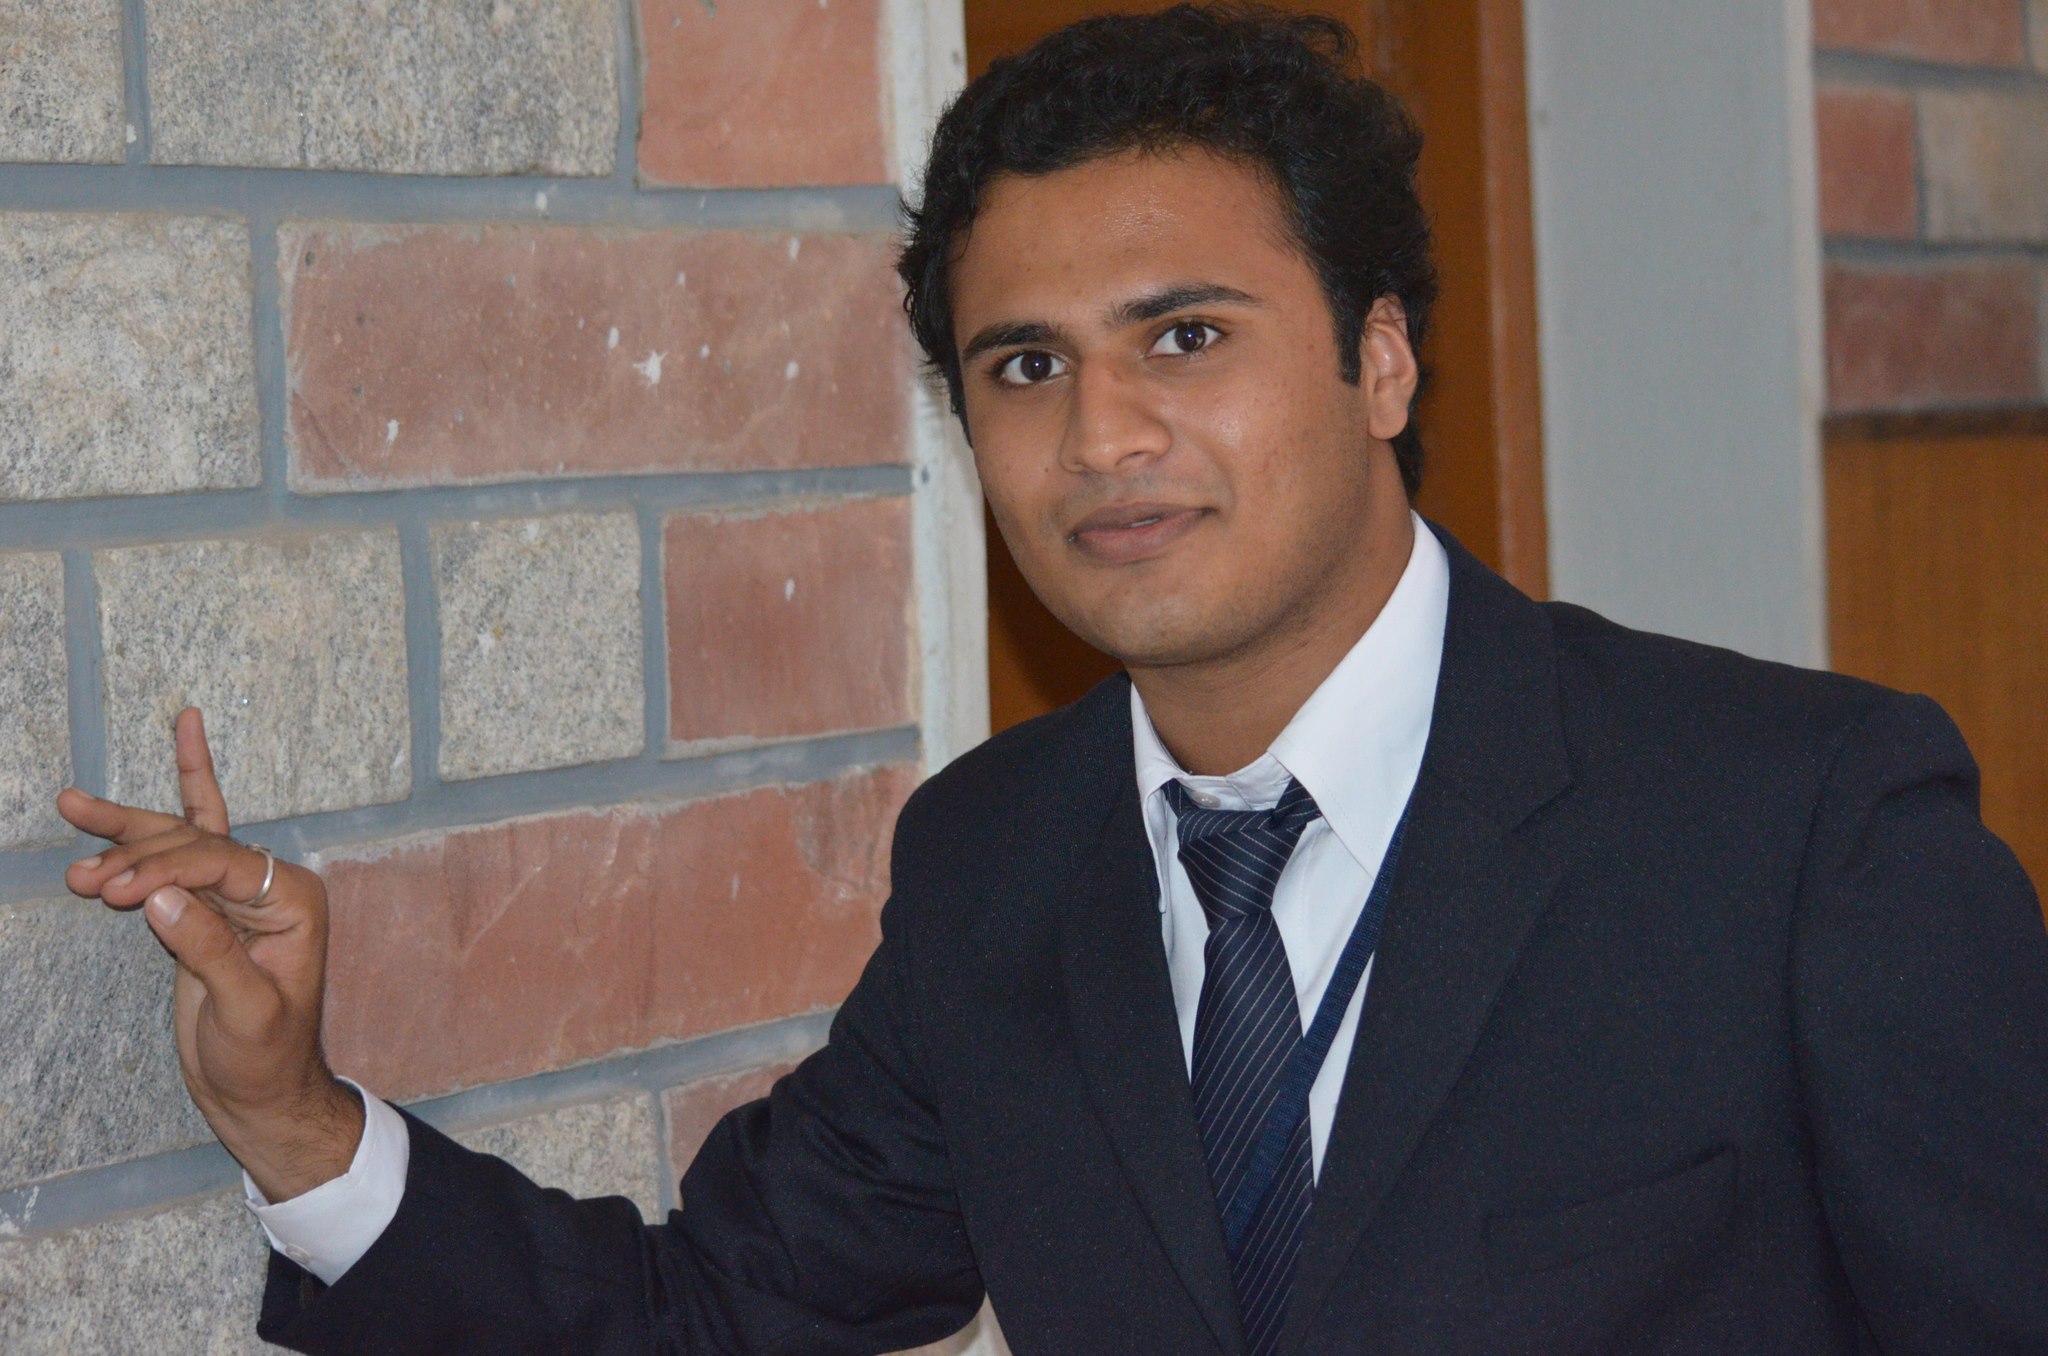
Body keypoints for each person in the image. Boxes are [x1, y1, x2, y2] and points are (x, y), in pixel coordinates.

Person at [57, 6, 2048, 1353]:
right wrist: (297, 1118)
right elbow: (712, 1317)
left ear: (1378, 361)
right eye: (1025, 367)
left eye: (1184, 338)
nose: (1102, 437)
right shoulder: (998, 862)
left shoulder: (1798, 828)